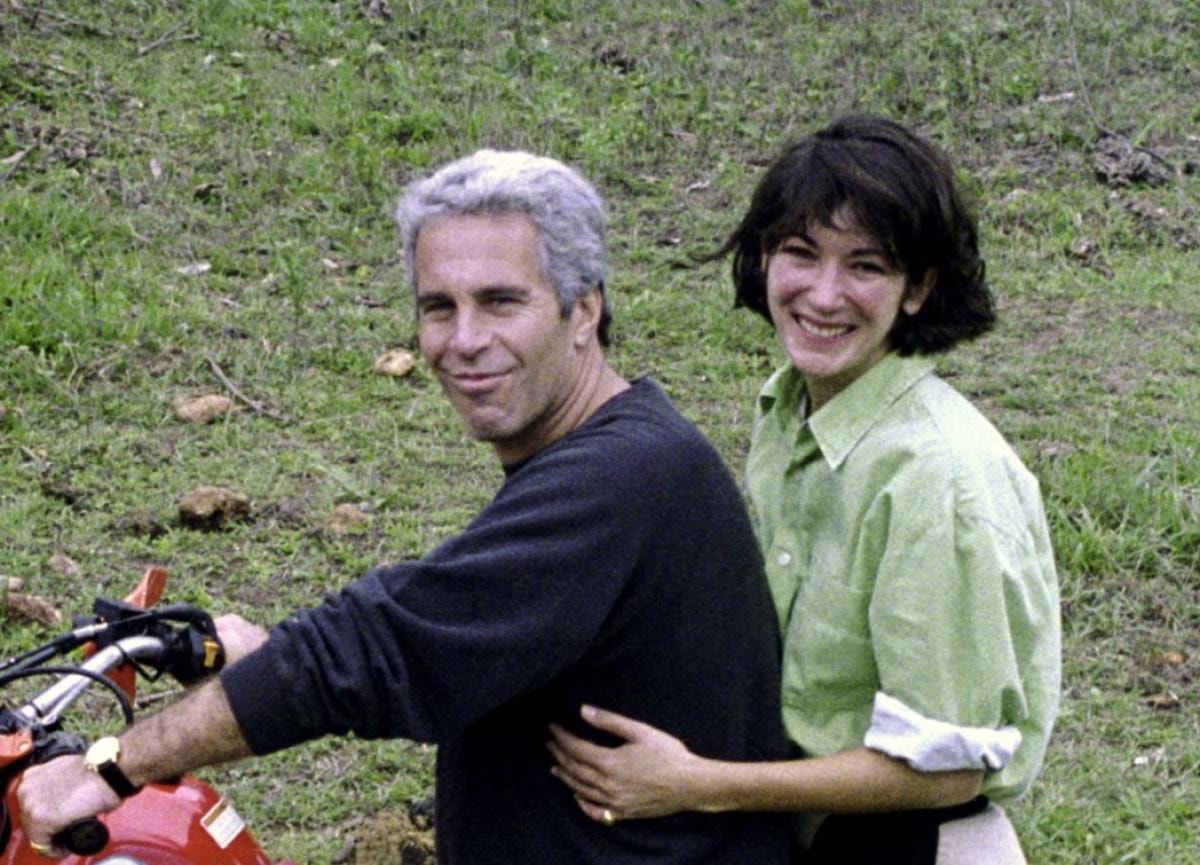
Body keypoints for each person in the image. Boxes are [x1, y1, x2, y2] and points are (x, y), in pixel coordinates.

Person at [18, 150, 791, 864]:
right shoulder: (614, 450)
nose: (464, 339)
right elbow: (446, 639)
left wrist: (108, 768)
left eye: (500, 301)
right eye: (438, 306)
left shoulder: (623, 476)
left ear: (583, 310)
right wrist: (267, 658)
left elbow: (380, 645)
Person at [548, 115, 1062, 865]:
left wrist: (698, 784)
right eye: (801, 253)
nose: (824, 294)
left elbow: (948, 768)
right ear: (764, 258)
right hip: (815, 834)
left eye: (866, 266)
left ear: (919, 288)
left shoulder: (939, 478)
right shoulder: (788, 410)